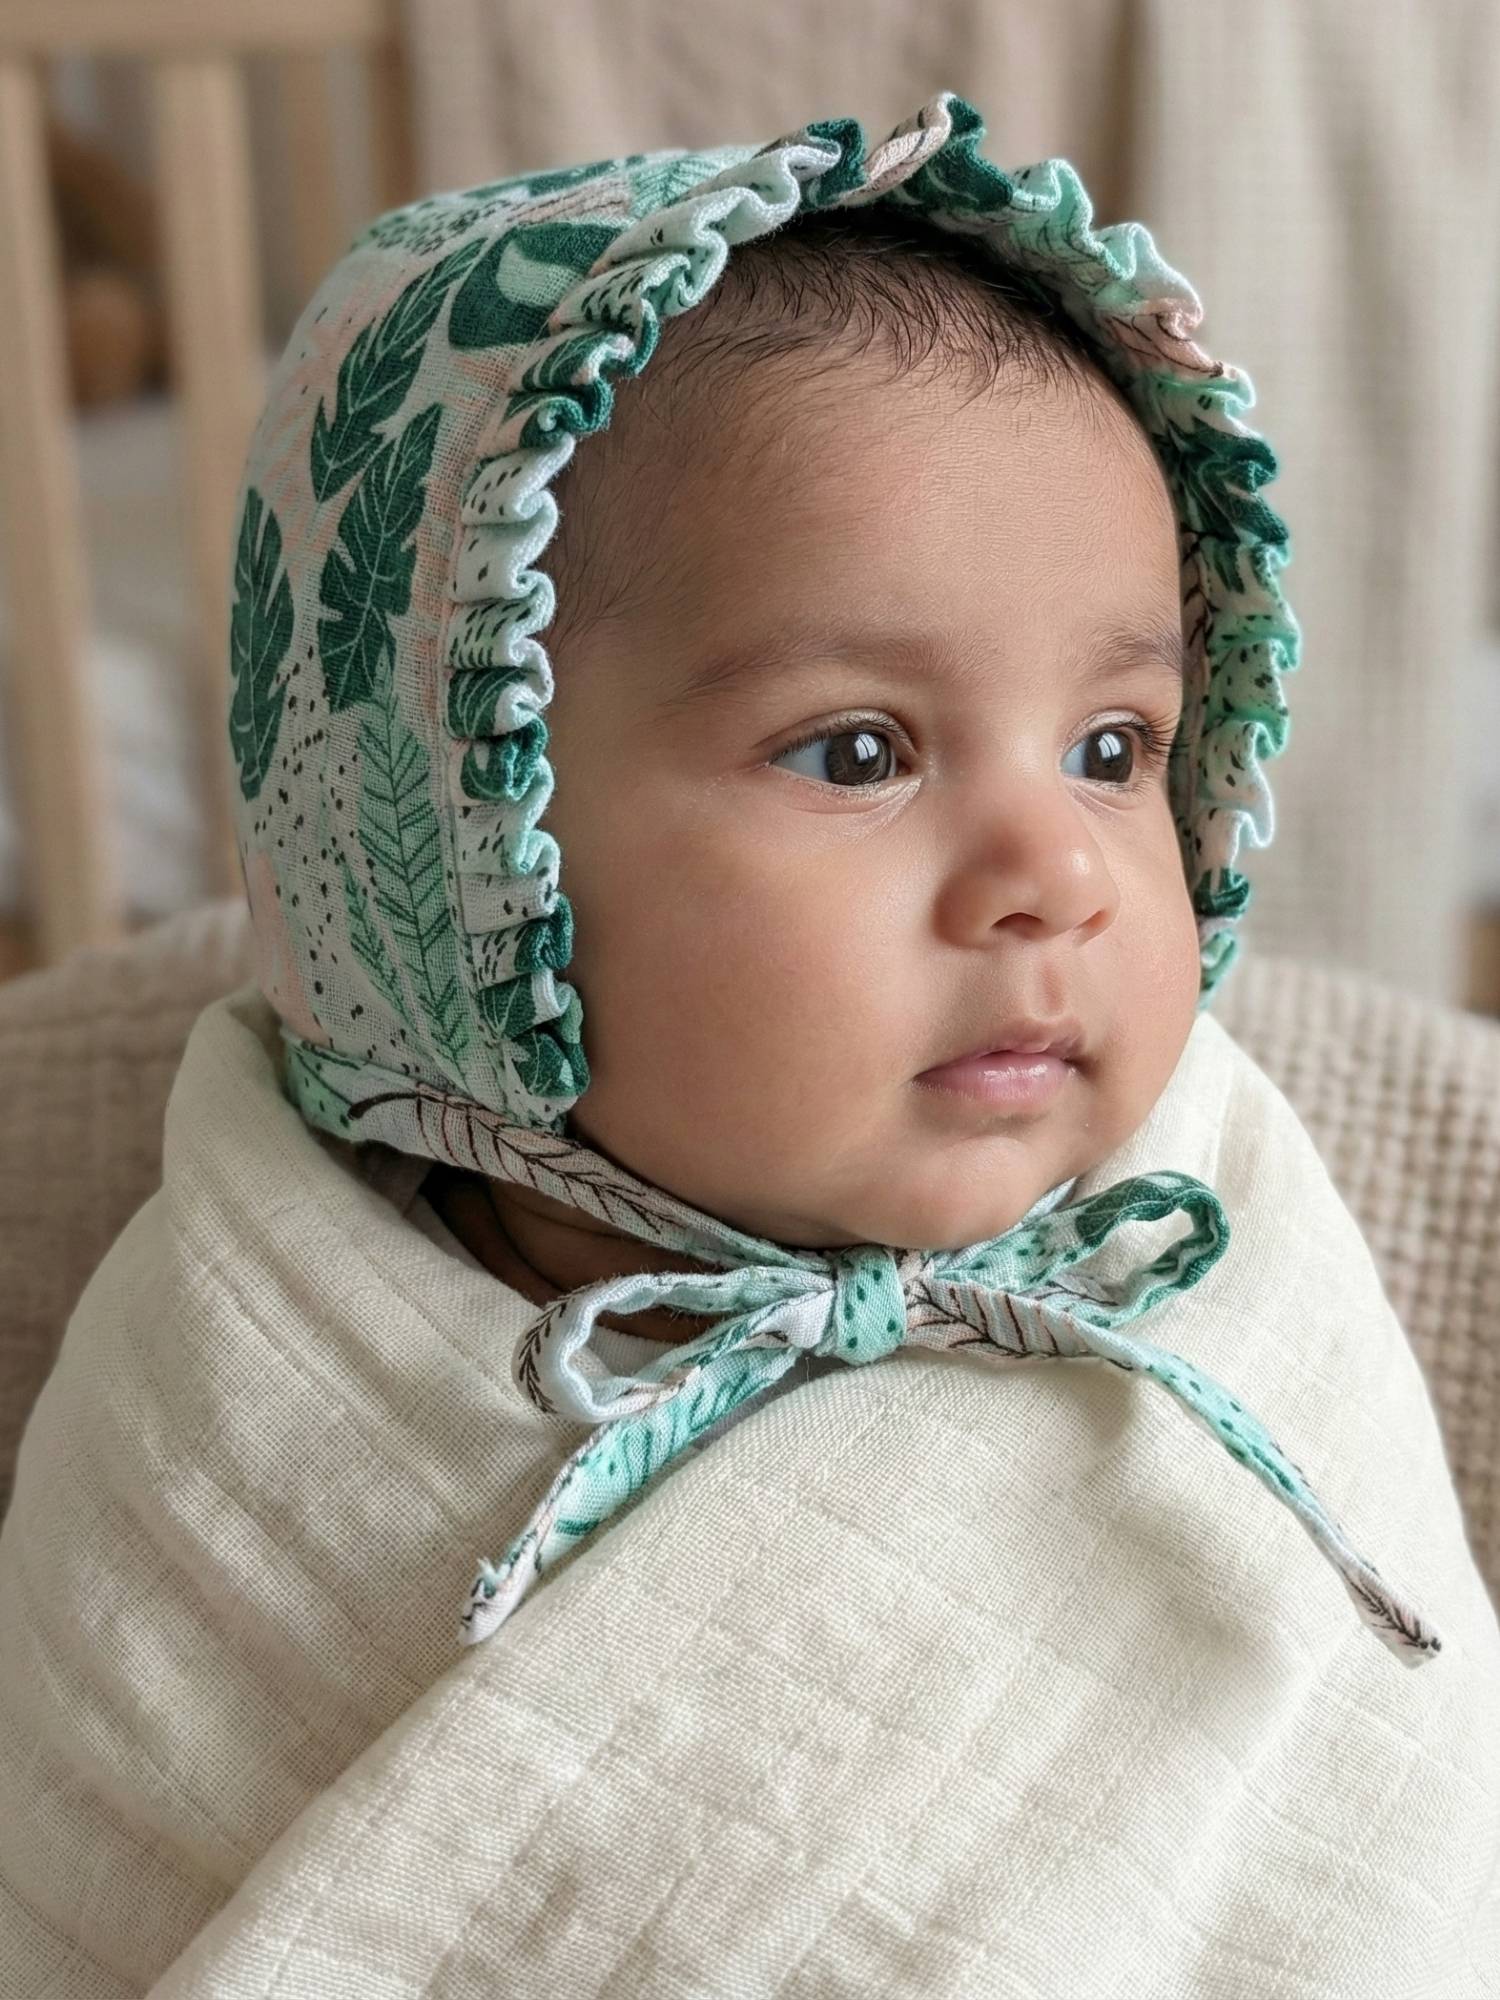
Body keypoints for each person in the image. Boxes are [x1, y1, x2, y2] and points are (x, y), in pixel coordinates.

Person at [2, 91, 1497, 1998]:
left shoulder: (1223, 1263)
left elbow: (1386, 1853)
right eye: (859, 752)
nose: (1060, 875)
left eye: (1114, 749)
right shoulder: (243, 1399)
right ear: (469, 843)